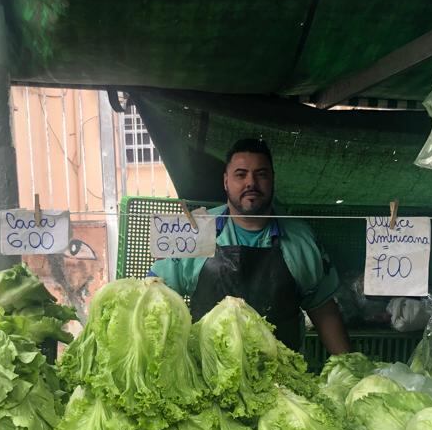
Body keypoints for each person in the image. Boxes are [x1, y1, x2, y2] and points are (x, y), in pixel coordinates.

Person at [149, 138, 351, 355]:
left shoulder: (301, 238)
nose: (251, 183)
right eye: (240, 174)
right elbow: (155, 296)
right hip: (206, 377)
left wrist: (349, 367)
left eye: (261, 174)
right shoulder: (195, 230)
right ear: (226, 181)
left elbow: (323, 308)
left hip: (284, 379)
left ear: (272, 179)